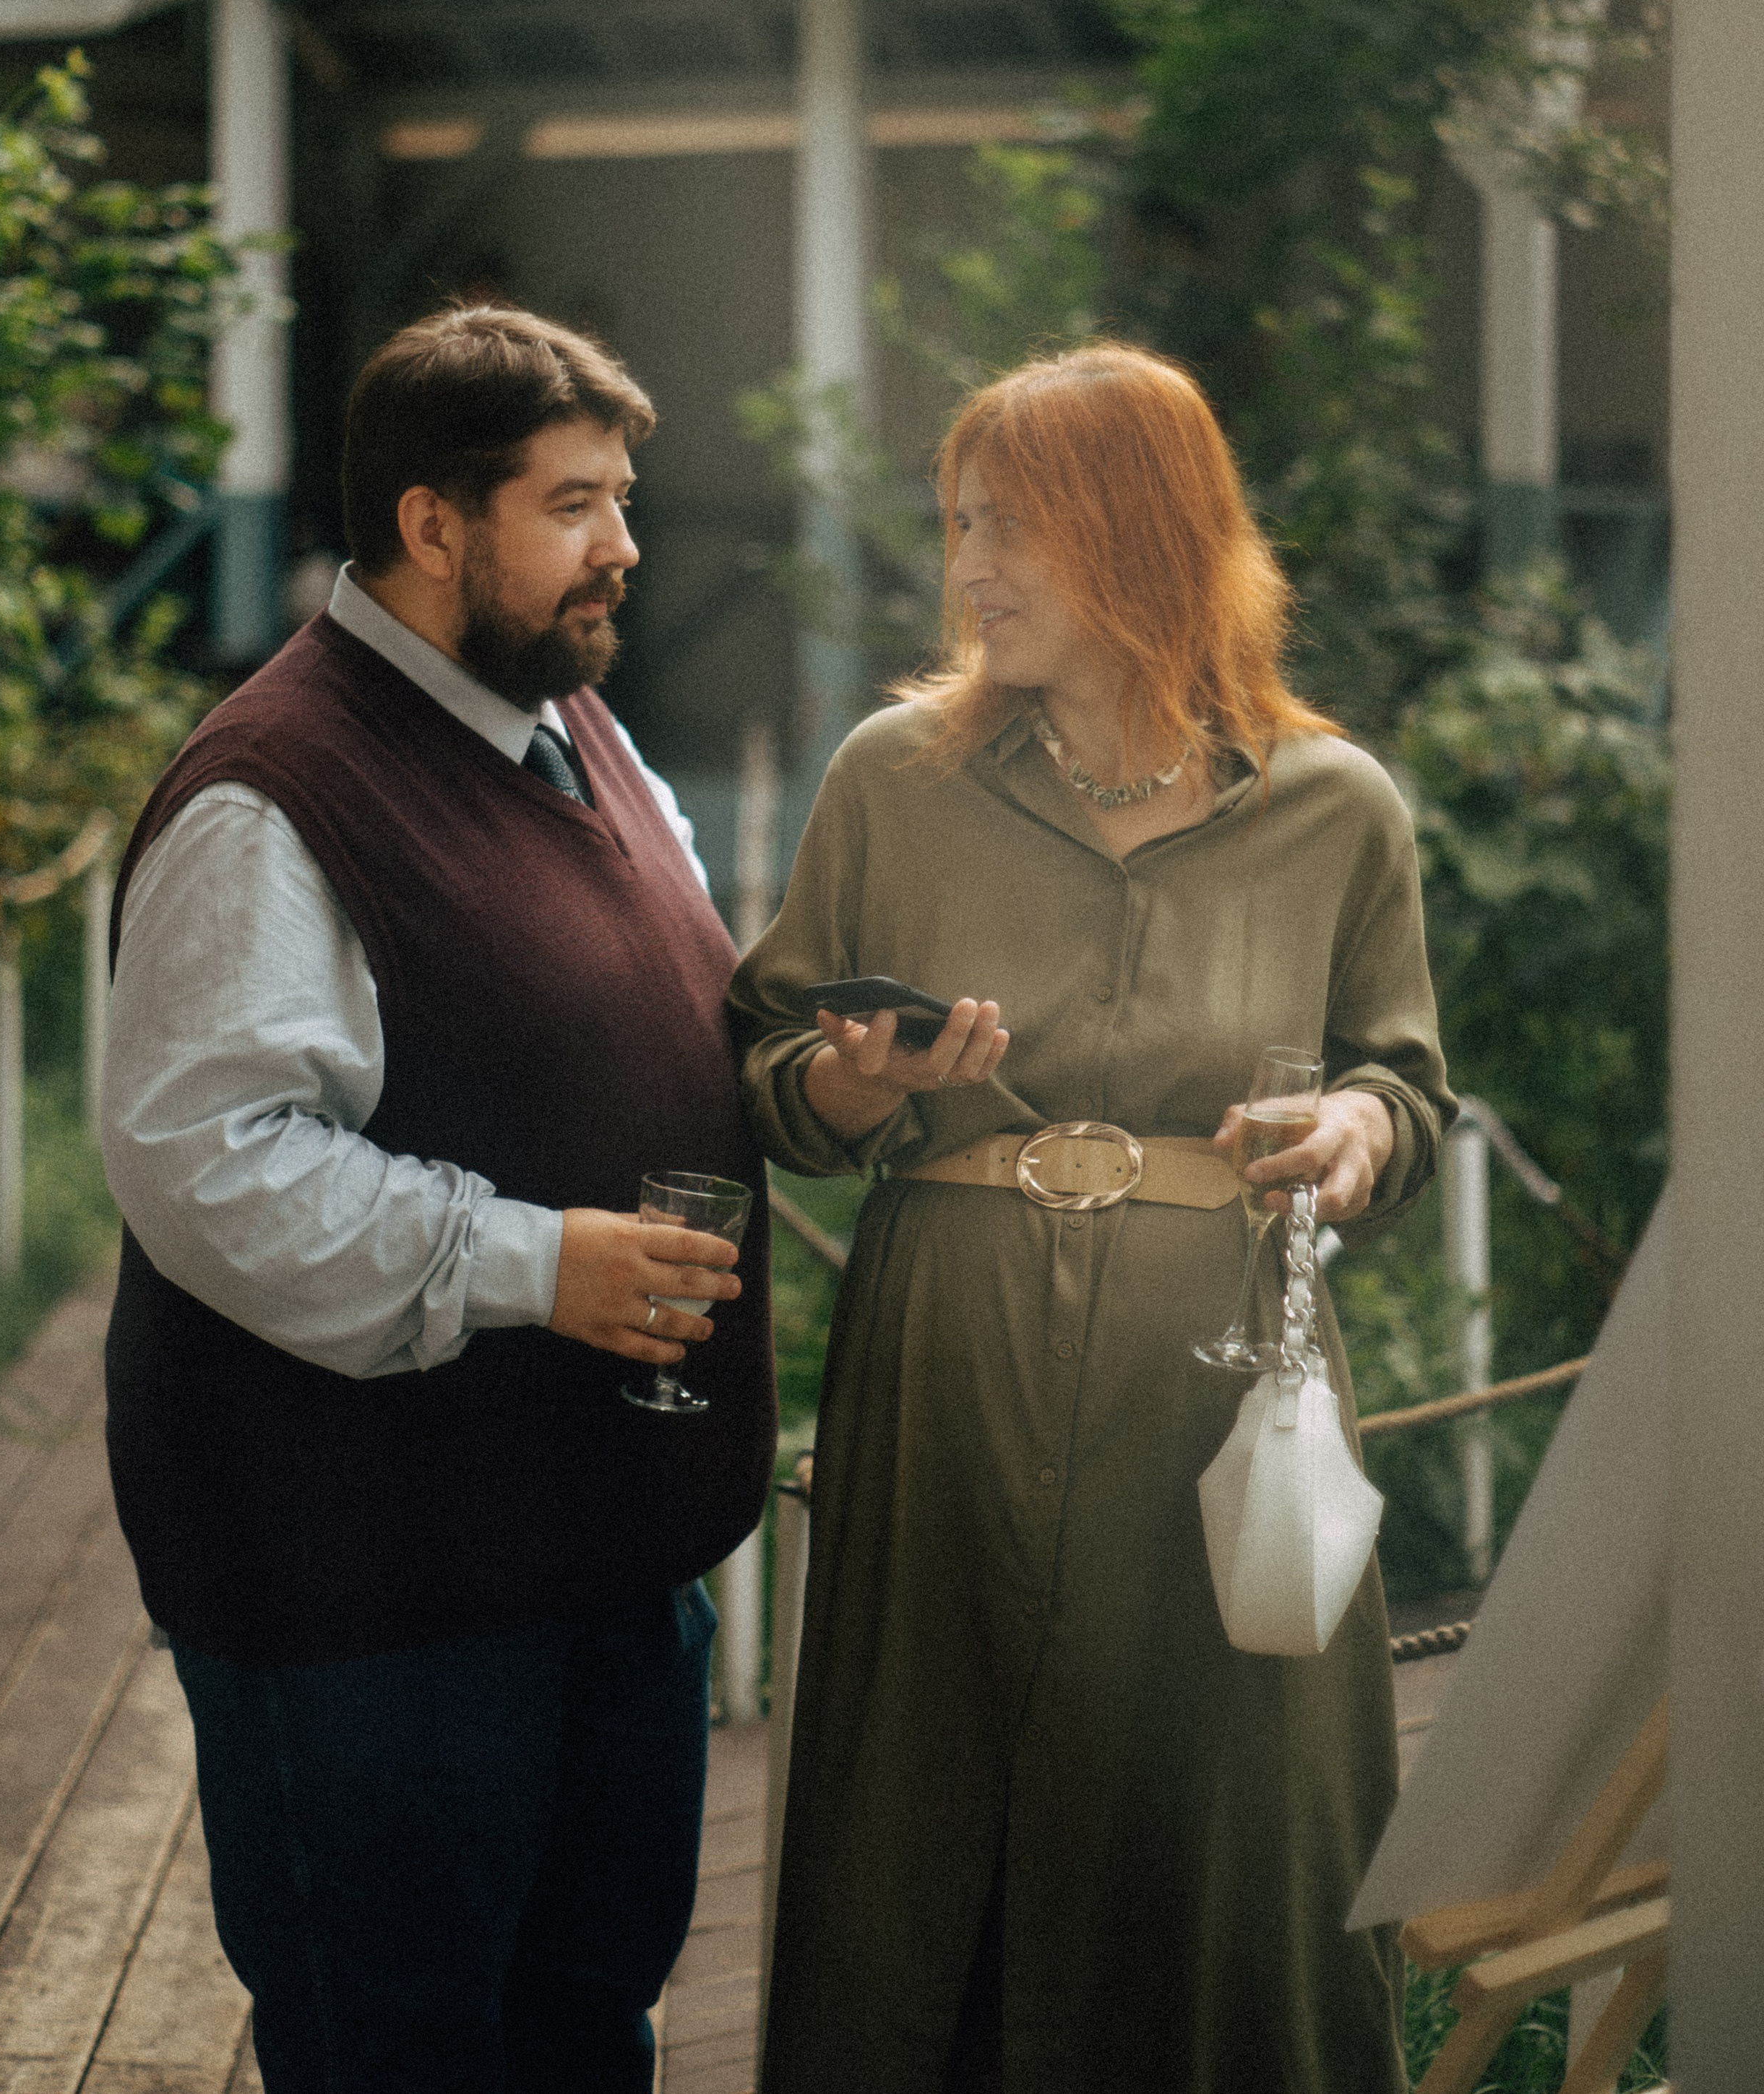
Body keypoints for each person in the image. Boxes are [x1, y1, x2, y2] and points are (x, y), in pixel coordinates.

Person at [732, 343, 1454, 2094]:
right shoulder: (890, 779)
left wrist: (1354, 1131)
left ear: (1137, 533)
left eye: (1010, 528)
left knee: (1230, 1834)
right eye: (958, 523)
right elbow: (765, 1063)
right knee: (924, 1825)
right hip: (946, 1384)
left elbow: (1404, 1083)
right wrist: (857, 1086)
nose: (968, 568)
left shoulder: (1333, 806)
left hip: (1221, 1398)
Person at [100, 301, 775, 2094]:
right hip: (373, 1602)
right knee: (396, 2054)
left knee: (585, 2037)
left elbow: (651, 1008)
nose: (623, 545)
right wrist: (535, 1264)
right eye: (571, 504)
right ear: (430, 522)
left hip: (592, 1557)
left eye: (621, 499)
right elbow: (208, 1162)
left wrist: (824, 1077)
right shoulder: (271, 798)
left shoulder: (577, 731)